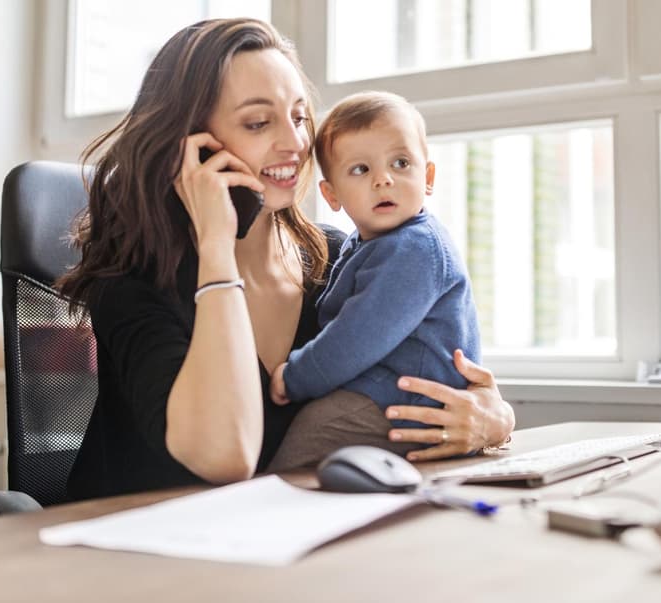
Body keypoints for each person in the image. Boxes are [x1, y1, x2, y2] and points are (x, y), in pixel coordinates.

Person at [56, 18, 514, 500]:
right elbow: (226, 457)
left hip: (290, 545)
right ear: (190, 147)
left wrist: (492, 419)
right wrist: (216, 245)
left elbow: (443, 377)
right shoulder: (133, 281)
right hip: (136, 552)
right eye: (258, 122)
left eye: (298, 117)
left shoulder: (337, 259)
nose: (296, 144)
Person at [266, 91, 479, 469]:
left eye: (400, 163)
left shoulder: (415, 249)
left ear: (427, 176)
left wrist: (295, 377)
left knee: (302, 448)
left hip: (406, 403)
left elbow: (356, 336)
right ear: (332, 194)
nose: (384, 180)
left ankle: (265, 512)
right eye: (361, 170)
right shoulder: (364, 244)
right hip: (387, 395)